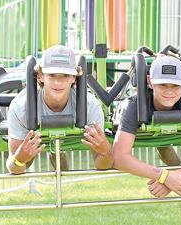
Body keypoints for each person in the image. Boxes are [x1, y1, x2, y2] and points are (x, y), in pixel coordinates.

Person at [113, 55, 181, 197]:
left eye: (175, 85)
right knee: (163, 147)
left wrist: (176, 177)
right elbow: (119, 157)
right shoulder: (133, 106)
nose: (169, 91)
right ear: (150, 82)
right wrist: (165, 176)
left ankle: (166, 151)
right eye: (162, 84)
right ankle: (165, 150)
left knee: (165, 148)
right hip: (141, 130)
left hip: (165, 136)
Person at [6, 45, 113, 175]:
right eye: (51, 75)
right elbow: (14, 168)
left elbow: (103, 165)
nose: (58, 82)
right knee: (26, 160)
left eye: (65, 75)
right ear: (40, 76)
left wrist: (106, 152)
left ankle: (57, 152)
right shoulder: (20, 107)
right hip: (36, 137)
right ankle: (55, 152)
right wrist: (19, 159)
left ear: (74, 77)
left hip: (67, 134)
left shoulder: (90, 107)